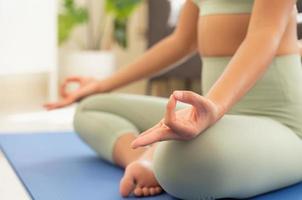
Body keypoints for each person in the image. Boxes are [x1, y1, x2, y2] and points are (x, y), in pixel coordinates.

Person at [44, 0, 302, 199]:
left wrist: (213, 107)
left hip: (281, 125)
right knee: (91, 107)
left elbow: (264, 35)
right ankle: (142, 162)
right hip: (214, 116)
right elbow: (181, 42)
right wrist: (100, 85)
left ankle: (158, 162)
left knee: (178, 162)